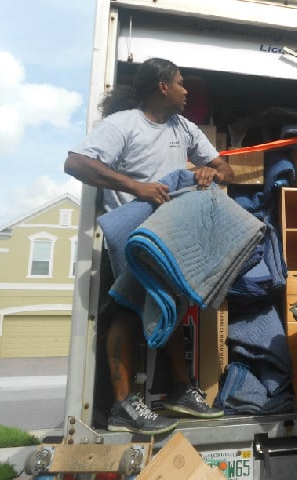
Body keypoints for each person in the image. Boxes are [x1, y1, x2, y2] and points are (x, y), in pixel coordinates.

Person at [64, 57, 234, 435]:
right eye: (180, 83)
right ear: (162, 87)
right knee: (126, 312)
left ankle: (180, 391)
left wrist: (211, 170)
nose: (186, 91)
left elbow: (227, 170)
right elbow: (75, 163)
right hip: (132, 236)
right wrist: (136, 187)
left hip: (167, 233)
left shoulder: (185, 128)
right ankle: (123, 406)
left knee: (170, 305)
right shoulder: (123, 124)